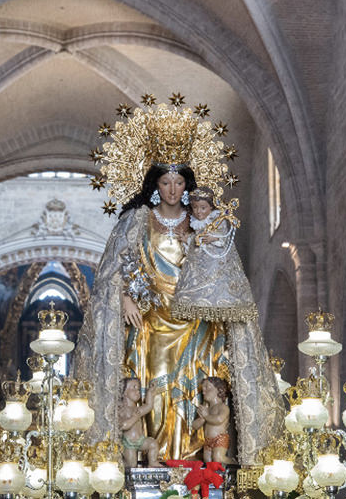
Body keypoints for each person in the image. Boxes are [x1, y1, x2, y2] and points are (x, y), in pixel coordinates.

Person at [73, 99, 283, 465]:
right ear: (155, 184)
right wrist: (123, 298)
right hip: (150, 320)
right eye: (166, 181)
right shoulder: (136, 221)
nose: (172, 189)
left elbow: (224, 270)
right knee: (152, 382)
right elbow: (112, 271)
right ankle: (151, 461)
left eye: (179, 181)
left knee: (196, 386)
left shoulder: (205, 223)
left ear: (188, 184)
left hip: (197, 320)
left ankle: (194, 462)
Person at [172, 187, 258, 324]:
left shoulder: (218, 219)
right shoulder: (195, 221)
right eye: (195, 208)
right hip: (199, 262)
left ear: (211, 207)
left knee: (218, 287)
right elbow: (197, 239)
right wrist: (187, 239)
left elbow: (224, 237)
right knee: (196, 289)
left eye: (203, 208)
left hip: (216, 260)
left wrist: (214, 238)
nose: (199, 212)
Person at [119, 378, 163, 467]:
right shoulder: (122, 410)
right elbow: (124, 425)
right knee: (131, 464)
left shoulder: (138, 409)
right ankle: (118, 463)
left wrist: (150, 392)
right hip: (128, 443)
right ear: (124, 393)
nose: (137, 391)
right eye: (133, 388)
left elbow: (149, 406)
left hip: (140, 440)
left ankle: (152, 462)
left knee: (153, 444)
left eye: (138, 388)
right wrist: (134, 418)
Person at [192, 377, 233, 464]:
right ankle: (215, 477)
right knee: (208, 461)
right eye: (203, 389)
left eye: (207, 387)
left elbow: (219, 419)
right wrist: (202, 418)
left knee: (218, 458)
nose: (204, 392)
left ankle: (233, 463)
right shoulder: (206, 409)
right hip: (208, 440)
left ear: (219, 390)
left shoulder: (222, 407)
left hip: (219, 438)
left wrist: (206, 416)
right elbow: (195, 426)